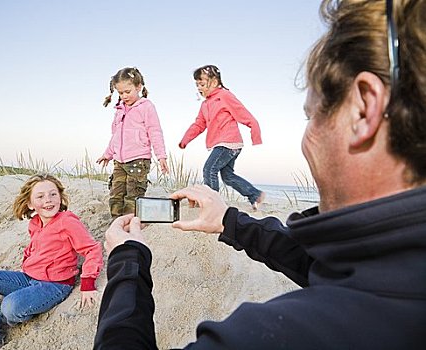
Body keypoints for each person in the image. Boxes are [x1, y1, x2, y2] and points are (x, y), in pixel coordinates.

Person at [94, 0, 426, 349]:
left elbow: (245, 116)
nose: (306, 139)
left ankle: (250, 194)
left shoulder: (281, 334)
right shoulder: (395, 270)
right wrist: (229, 220)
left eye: (311, 115)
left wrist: (127, 262)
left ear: (363, 108)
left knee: (213, 170)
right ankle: (251, 195)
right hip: (224, 166)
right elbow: (319, 264)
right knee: (226, 176)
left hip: (228, 143)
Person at [0, 174, 103, 350]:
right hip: (28, 278)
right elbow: (33, 248)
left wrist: (88, 283)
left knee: (10, 306)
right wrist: (27, 262)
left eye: (53, 194)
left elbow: (92, 249)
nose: (48, 200)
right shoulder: (35, 223)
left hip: (55, 285)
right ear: (31, 204)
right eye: (40, 196)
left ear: (60, 197)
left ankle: (6, 315)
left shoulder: (67, 221)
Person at [178, 64, 264, 210]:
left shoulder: (224, 96)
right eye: (197, 84)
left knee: (209, 169)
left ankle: (213, 205)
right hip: (223, 144)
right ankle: (255, 195)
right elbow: (199, 124)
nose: (199, 88)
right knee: (228, 176)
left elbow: (243, 113)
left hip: (228, 142)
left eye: (202, 84)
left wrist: (255, 133)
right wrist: (186, 139)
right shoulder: (205, 105)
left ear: (215, 82)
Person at [97, 67, 169, 219]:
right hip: (119, 162)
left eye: (127, 92)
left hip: (138, 161)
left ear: (138, 87)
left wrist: (161, 156)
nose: (124, 96)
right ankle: (116, 222)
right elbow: (116, 136)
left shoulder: (146, 107)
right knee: (116, 194)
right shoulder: (119, 110)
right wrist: (107, 154)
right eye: (120, 93)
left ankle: (130, 225)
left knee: (133, 195)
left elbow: (155, 132)